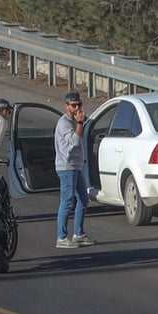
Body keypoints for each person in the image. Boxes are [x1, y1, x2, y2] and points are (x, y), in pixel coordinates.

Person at [54, 91, 94, 249]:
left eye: (79, 104)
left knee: (83, 199)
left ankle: (78, 234)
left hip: (76, 166)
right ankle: (61, 237)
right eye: (73, 105)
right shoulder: (64, 123)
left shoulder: (75, 120)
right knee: (67, 202)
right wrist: (79, 123)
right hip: (66, 167)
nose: (77, 107)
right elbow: (75, 141)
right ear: (67, 106)